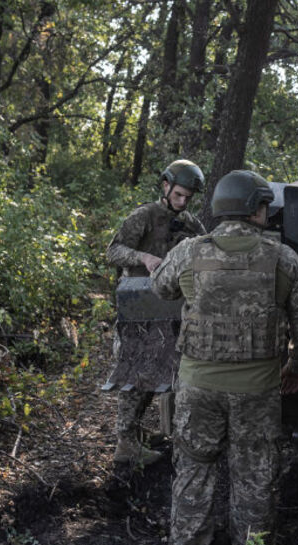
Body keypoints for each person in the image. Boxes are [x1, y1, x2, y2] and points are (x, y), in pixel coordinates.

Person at [152, 169, 298, 545]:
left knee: (192, 477)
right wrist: (296, 369)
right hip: (258, 393)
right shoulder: (283, 258)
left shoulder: (190, 251)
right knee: (255, 481)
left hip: (197, 390)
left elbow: (161, 289)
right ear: (255, 209)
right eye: (265, 205)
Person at [106, 160, 207, 466]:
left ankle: (138, 433)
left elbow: (206, 253)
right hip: (138, 305)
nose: (183, 202)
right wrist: (142, 256)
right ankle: (125, 442)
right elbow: (113, 251)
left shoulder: (191, 224)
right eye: (178, 194)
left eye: (188, 197)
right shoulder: (145, 216)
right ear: (165, 186)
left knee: (162, 374)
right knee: (135, 372)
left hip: (171, 309)